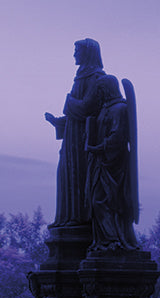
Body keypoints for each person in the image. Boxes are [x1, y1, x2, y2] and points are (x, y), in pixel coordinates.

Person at [45, 38, 106, 227]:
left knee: (78, 174)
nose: (74, 54)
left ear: (87, 53)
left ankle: (78, 219)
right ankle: (66, 218)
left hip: (83, 140)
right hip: (72, 137)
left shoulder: (97, 78)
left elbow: (88, 107)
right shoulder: (80, 77)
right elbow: (74, 114)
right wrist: (58, 121)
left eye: (77, 50)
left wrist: (68, 101)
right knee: (65, 173)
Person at [84, 74, 139, 251]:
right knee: (97, 200)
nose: (98, 94)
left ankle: (114, 240)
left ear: (108, 89)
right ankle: (105, 241)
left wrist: (98, 148)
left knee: (108, 201)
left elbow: (118, 136)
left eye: (100, 90)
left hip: (115, 164)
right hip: (101, 162)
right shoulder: (105, 108)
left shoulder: (120, 108)